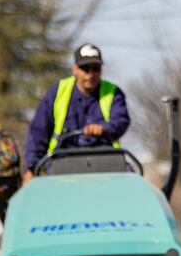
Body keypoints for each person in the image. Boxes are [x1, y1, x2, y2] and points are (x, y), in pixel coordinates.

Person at [22, 43, 130, 183]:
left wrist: (104, 128)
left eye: (95, 68)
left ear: (101, 70)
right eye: (85, 68)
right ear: (74, 69)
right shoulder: (57, 92)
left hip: (105, 162)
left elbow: (121, 120)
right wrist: (31, 167)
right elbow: (38, 132)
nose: (90, 74)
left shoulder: (113, 93)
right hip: (61, 163)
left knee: (133, 180)